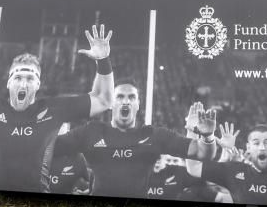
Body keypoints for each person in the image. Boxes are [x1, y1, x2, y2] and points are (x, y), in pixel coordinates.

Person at [0, 25, 115, 192]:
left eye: (30, 78)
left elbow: (104, 100)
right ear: (8, 83)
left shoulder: (54, 109)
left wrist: (103, 61)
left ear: (38, 84)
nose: (23, 83)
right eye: (18, 77)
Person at [53, 84, 218, 198]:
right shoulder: (91, 131)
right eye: (120, 97)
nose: (126, 101)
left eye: (132, 97)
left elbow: (201, 153)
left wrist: (207, 136)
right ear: (111, 104)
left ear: (138, 104)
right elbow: (50, 147)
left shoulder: (154, 135)